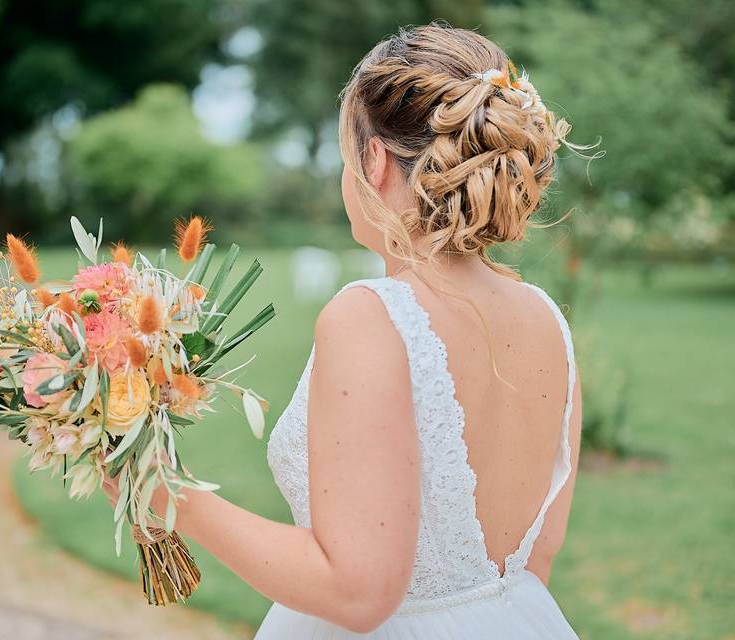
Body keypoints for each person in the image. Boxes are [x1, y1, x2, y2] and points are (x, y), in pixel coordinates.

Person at [106, 23, 586, 639]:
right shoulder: (549, 319)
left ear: (374, 159)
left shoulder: (372, 316)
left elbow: (357, 593)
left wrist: (163, 491)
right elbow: (537, 558)